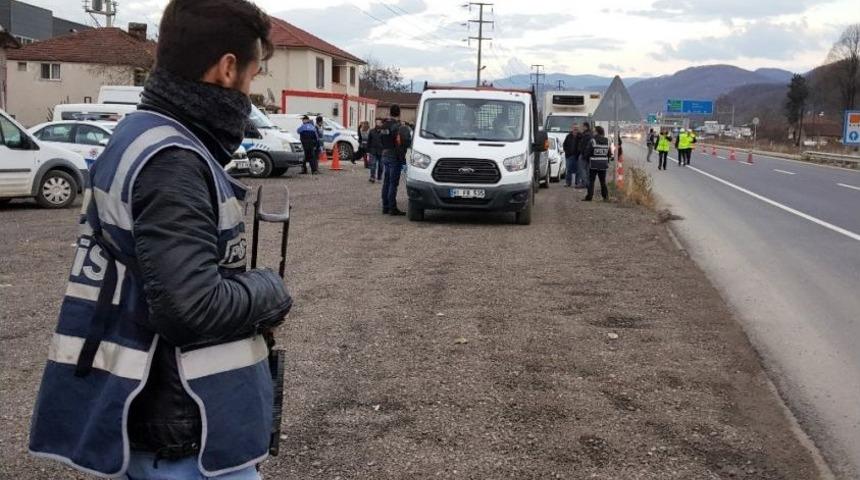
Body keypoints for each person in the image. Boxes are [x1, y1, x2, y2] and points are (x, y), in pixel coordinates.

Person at [28, 1, 293, 479]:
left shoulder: (141, 132)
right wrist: (270, 290)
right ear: (228, 68)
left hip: (160, 421)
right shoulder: (173, 161)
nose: (250, 96)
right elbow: (191, 308)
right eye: (253, 77)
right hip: (182, 434)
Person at [379, 104, 411, 215]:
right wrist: (402, 159)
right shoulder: (397, 127)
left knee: (386, 182)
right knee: (393, 183)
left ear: (390, 112)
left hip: (384, 154)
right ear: (399, 113)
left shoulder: (383, 126)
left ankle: (385, 206)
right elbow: (400, 143)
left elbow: (381, 141)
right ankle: (392, 208)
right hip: (394, 156)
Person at [583, 125, 613, 202]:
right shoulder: (607, 141)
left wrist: (586, 159)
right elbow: (609, 154)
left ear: (597, 132)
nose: (593, 132)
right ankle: (605, 196)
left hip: (593, 163)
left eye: (594, 131)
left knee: (591, 181)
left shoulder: (593, 141)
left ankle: (589, 196)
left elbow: (588, 152)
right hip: (603, 164)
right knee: (602, 181)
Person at [576, 122, 594, 188]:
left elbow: (583, 145)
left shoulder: (586, 135)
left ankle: (584, 183)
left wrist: (582, 153)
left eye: (582, 126)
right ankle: (588, 183)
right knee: (587, 170)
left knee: (582, 169)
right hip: (589, 155)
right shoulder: (591, 134)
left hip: (584, 155)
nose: (582, 128)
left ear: (585, 127)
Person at [367, 118, 384, 183]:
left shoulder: (383, 132)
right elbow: (369, 141)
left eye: (379, 123)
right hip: (373, 151)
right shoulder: (371, 131)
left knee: (381, 165)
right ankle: (372, 177)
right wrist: (368, 151)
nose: (378, 124)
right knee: (373, 164)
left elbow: (386, 142)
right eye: (377, 122)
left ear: (381, 123)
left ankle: (379, 177)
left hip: (381, 151)